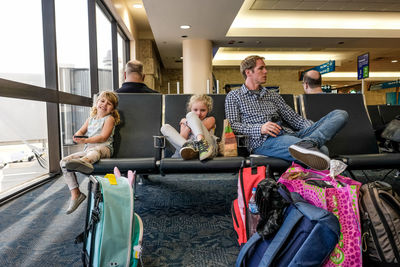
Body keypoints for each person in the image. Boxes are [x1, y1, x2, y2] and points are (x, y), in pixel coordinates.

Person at [225, 55, 348, 170]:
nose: (266, 71)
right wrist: (260, 128)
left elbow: (294, 119)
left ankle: (309, 143)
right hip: (263, 141)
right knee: (323, 151)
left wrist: (316, 128)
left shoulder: (273, 96)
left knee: (340, 114)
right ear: (248, 72)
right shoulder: (234, 96)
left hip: (291, 135)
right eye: (261, 68)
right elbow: (233, 126)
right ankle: (307, 149)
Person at [60, 91, 120, 214]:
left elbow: (103, 137)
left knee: (95, 151)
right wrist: (77, 136)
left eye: (109, 104)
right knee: (64, 162)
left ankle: (84, 162)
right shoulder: (90, 119)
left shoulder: (109, 119)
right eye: (102, 101)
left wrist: (85, 140)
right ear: (97, 103)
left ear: (112, 109)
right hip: (88, 151)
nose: (104, 105)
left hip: (104, 148)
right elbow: (80, 132)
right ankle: (76, 194)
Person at [160, 94, 218, 161]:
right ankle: (189, 149)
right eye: (195, 110)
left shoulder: (211, 119)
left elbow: (196, 129)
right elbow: (182, 138)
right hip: (190, 149)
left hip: (208, 148)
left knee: (191, 115)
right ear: (191, 109)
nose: (199, 113)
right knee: (164, 128)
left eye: (203, 110)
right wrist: (188, 123)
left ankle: (202, 143)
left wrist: (186, 122)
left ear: (208, 110)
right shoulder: (186, 121)